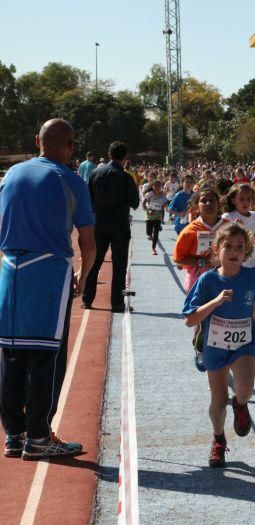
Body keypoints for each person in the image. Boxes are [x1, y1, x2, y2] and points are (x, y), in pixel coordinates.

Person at [0, 118, 96, 459]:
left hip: (11, 270)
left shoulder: (11, 174)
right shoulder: (70, 180)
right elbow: (88, 242)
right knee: (46, 356)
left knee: (11, 354)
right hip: (48, 271)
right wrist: (83, 279)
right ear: (70, 147)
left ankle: (14, 433)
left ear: (36, 140)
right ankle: (38, 436)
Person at [182, 224, 255, 467]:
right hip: (214, 346)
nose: (234, 252)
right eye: (228, 246)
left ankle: (241, 404)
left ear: (247, 252)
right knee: (219, 400)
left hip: (244, 344)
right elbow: (190, 318)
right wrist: (216, 301)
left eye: (240, 247)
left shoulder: (253, 277)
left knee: (245, 390)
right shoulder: (207, 280)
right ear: (216, 249)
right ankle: (218, 439)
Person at [83, 141, 140, 313]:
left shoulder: (95, 173)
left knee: (95, 262)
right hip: (119, 224)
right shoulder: (125, 177)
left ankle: (87, 299)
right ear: (125, 157)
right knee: (119, 265)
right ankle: (116, 303)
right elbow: (135, 203)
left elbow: (88, 198)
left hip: (98, 222)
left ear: (109, 154)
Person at [143, 180, 169, 255]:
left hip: (158, 215)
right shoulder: (149, 194)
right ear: (152, 187)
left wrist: (162, 207)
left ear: (161, 187)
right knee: (148, 232)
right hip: (149, 215)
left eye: (159, 186)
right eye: (156, 186)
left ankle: (153, 248)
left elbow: (165, 203)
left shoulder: (163, 195)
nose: (157, 187)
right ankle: (152, 232)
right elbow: (144, 203)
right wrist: (147, 210)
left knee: (156, 233)